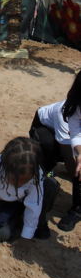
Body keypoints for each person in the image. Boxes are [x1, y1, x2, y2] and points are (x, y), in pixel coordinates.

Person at [60, 71, 81, 231]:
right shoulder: (73, 108)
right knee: (77, 172)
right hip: (47, 134)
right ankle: (77, 209)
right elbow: (75, 132)